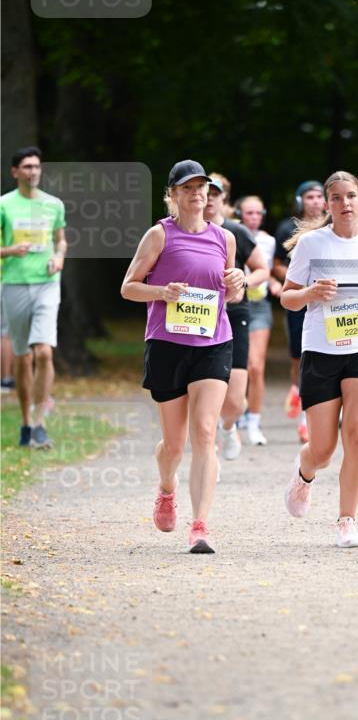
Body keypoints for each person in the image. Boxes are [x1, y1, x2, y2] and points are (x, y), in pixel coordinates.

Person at [121, 159, 245, 553]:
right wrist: (161, 292)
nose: (196, 194)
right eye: (187, 188)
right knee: (174, 446)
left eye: (201, 188)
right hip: (168, 346)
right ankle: (166, 488)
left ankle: (200, 526)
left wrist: (238, 281)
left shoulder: (224, 238)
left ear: (209, 194)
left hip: (213, 343)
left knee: (205, 433)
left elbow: (231, 293)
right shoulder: (159, 235)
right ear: (173, 195)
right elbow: (128, 287)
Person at [281, 171, 358, 547]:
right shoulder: (311, 244)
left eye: (350, 196)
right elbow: (287, 297)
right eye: (336, 197)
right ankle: (305, 472)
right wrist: (310, 293)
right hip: (321, 350)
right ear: (328, 204)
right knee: (323, 449)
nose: (345, 203)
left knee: (357, 434)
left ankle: (347, 521)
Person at [0, 146, 67, 448]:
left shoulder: (53, 205)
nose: (33, 172)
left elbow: (60, 240)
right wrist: (10, 250)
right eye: (27, 167)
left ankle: (40, 423)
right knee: (23, 357)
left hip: (47, 284)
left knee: (43, 352)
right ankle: (26, 422)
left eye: (37, 166)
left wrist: (59, 257)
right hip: (14, 284)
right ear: (15, 172)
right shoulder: (4, 205)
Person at [204, 176, 269, 456]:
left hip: (233, 314)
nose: (208, 198)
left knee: (234, 401)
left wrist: (243, 284)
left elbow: (262, 270)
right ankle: (207, 450)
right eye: (205, 192)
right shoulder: (183, 231)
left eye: (214, 194)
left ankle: (229, 426)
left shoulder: (235, 231)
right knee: (202, 387)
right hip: (199, 316)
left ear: (224, 199)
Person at [273, 180, 326, 442]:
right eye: (309, 197)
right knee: (300, 356)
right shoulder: (287, 228)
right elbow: (276, 265)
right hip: (299, 299)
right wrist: (299, 280)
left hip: (326, 301)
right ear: (299, 201)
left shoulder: (332, 227)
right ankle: (298, 391)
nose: (315, 201)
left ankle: (316, 414)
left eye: (318, 196)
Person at [237, 195, 279, 446]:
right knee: (235, 367)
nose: (254, 217)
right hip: (233, 304)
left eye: (258, 213)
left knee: (256, 366)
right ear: (239, 214)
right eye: (248, 213)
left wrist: (273, 283)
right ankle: (232, 418)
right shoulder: (230, 234)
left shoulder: (269, 241)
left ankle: (254, 423)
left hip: (259, 306)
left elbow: (267, 270)